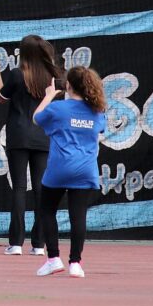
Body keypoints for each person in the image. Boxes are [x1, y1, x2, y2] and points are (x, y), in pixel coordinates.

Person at [0, 35, 61, 257]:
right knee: (40, 189)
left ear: (24, 53)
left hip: (18, 136)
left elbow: (1, 97)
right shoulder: (51, 76)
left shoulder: (18, 74)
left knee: (18, 188)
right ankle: (39, 244)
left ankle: (16, 243)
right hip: (42, 137)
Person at [32, 66, 107, 278]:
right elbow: (100, 129)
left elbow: (36, 118)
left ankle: (53, 259)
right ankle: (75, 263)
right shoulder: (97, 111)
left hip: (59, 168)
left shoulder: (58, 108)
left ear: (68, 85)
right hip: (85, 170)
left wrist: (48, 96)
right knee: (78, 216)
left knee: (47, 210)